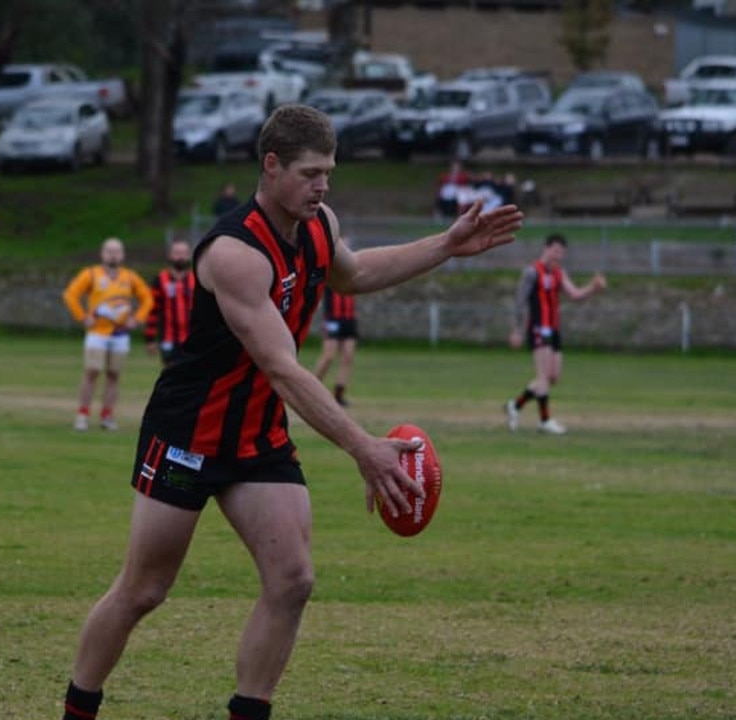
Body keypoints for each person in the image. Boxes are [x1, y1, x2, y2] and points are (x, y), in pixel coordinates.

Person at [59, 104, 523, 720]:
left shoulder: (319, 224)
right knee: (144, 590)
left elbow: (353, 275)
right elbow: (282, 366)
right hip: (188, 434)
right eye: (310, 173)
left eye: (329, 171)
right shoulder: (234, 252)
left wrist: (446, 244)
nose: (323, 185)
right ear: (271, 166)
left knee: (292, 579)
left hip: (258, 437)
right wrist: (364, 446)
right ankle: (78, 710)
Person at [503, 234, 606, 436]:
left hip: (554, 328)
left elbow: (575, 295)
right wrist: (517, 330)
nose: (558, 256)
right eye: (556, 251)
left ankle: (515, 405)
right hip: (538, 329)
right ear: (546, 248)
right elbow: (519, 303)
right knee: (542, 377)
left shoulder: (559, 273)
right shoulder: (532, 272)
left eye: (562, 253)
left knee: (552, 377)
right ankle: (545, 420)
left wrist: (593, 288)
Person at [62, 238, 154, 431]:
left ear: (123, 254)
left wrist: (136, 319)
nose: (113, 255)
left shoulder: (129, 277)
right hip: (97, 333)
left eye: (117, 251)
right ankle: (83, 414)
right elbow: (70, 294)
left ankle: (107, 415)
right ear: (102, 253)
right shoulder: (91, 274)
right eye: (109, 251)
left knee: (114, 375)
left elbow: (147, 298)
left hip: (120, 335)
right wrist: (82, 316)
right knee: (91, 372)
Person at [144, 238, 196, 367]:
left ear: (189, 255)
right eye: (177, 253)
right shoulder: (160, 279)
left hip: (192, 337)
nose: (180, 257)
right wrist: (150, 338)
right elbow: (153, 310)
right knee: (171, 373)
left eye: (184, 253)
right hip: (168, 337)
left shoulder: (196, 280)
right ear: (170, 255)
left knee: (191, 373)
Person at [312, 283, 357, 407]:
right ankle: (311, 390)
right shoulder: (330, 275)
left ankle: (339, 394)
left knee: (348, 357)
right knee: (328, 356)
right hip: (332, 318)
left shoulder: (350, 274)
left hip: (349, 318)